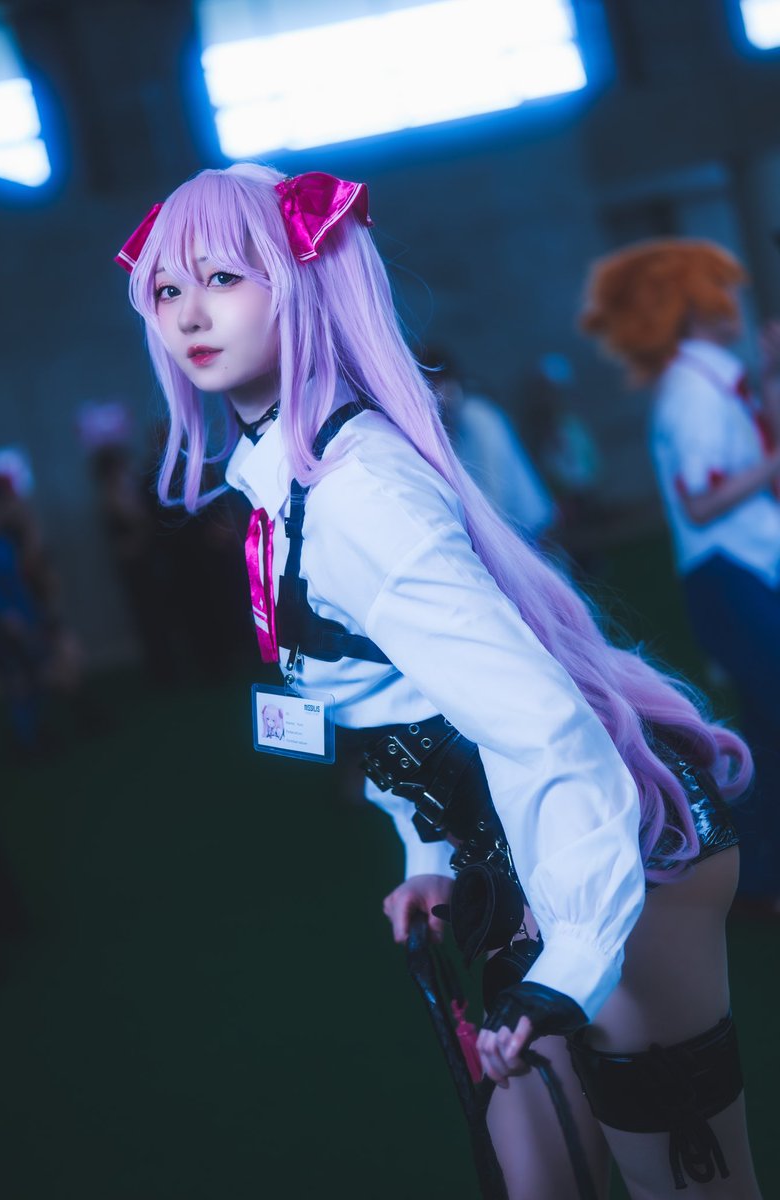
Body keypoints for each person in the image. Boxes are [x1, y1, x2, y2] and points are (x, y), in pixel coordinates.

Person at [117, 168, 761, 1198]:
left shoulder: (357, 491)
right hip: (515, 867)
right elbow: (394, 702)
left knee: (687, 1187)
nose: (188, 313)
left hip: (614, 854)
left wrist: (570, 960)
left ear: (299, 281)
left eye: (224, 277)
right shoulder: (285, 477)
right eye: (166, 289)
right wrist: (429, 854)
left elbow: (545, 730)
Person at [581, 239, 780, 920]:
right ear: (695, 306)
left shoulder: (713, 381)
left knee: (765, 728)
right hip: (729, 576)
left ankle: (757, 880)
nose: (738, 300)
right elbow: (701, 501)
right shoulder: (693, 392)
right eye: (724, 288)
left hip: (743, 571)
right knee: (767, 729)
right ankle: (755, 880)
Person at [421, 347, 557, 541]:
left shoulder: (478, 417)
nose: (437, 397)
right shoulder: (450, 427)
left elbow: (496, 492)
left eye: (439, 386)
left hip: (529, 529)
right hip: (511, 532)